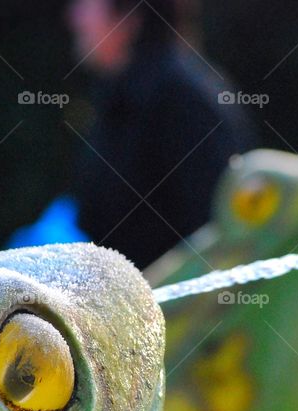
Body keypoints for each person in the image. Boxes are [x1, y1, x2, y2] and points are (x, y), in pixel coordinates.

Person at [67, 0, 255, 268]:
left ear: (129, 16)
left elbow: (221, 238)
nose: (75, 17)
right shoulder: (118, 95)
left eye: (86, 4)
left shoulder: (184, 100)